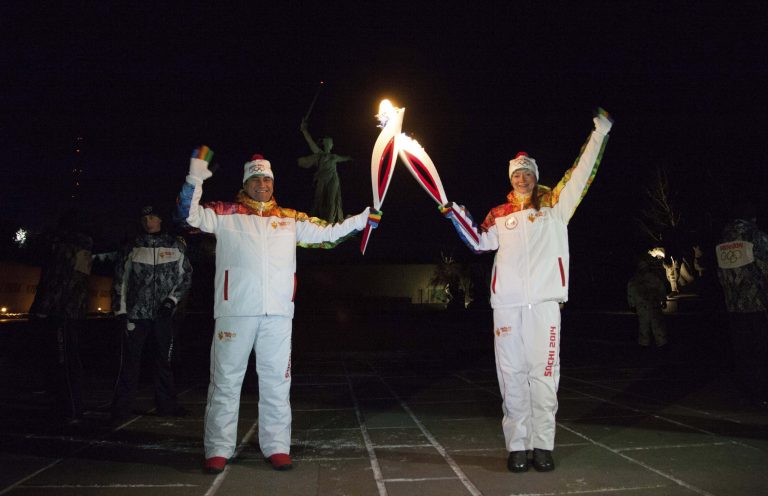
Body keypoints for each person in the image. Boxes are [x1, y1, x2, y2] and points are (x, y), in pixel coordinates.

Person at [175, 146, 380, 473]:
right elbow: (186, 216)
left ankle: (276, 446)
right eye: (256, 179)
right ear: (246, 183)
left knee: (276, 382)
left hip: (278, 314)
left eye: (267, 179)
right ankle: (218, 448)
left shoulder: (289, 219)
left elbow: (327, 236)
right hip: (235, 312)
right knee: (226, 381)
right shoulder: (225, 213)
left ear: (273, 183)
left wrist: (361, 220)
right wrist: (196, 175)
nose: (262, 184)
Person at [439, 109, 613, 473]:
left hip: (546, 305)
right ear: (511, 178)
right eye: (516, 174)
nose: (521, 179)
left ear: (536, 176)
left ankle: (542, 445)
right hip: (507, 306)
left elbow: (581, 174)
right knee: (511, 376)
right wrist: (455, 214)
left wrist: (600, 131)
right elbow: (479, 242)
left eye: (527, 173)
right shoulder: (499, 213)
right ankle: (518, 446)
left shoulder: (555, 206)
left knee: (544, 376)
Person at [110, 206, 193, 424]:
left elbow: (185, 278)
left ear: (161, 219)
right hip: (136, 315)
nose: (149, 221)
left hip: (163, 316)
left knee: (163, 361)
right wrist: (120, 310)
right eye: (145, 217)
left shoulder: (175, 245)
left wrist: (171, 301)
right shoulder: (132, 246)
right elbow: (121, 280)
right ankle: (121, 408)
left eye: (153, 216)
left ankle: (166, 406)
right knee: (129, 362)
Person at [28, 211, 93, 425]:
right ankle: (72, 405)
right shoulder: (84, 248)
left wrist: (42, 308)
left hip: (61, 311)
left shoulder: (64, 248)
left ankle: (69, 408)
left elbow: (57, 281)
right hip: (74, 310)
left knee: (62, 360)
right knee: (70, 359)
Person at [715, 202, 768, 410]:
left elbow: (721, 275)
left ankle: (749, 393)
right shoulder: (756, 237)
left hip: (733, 307)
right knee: (761, 350)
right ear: (752, 218)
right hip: (759, 306)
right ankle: (763, 393)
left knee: (743, 352)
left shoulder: (722, 242)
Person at [298, 118, 352, 223]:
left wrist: (352, 157)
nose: (327, 145)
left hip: (333, 178)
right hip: (322, 177)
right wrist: (304, 130)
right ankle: (313, 221)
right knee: (318, 198)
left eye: (329, 143)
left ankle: (330, 222)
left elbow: (346, 158)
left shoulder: (334, 156)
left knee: (332, 200)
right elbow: (310, 141)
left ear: (331, 145)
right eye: (326, 143)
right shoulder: (319, 153)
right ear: (323, 144)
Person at [627, 256, 668, 348]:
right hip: (653, 304)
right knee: (657, 324)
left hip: (642, 305)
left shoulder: (635, 279)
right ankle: (661, 343)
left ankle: (644, 344)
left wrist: (632, 304)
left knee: (644, 325)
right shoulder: (654, 277)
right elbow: (661, 288)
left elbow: (631, 292)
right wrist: (663, 300)